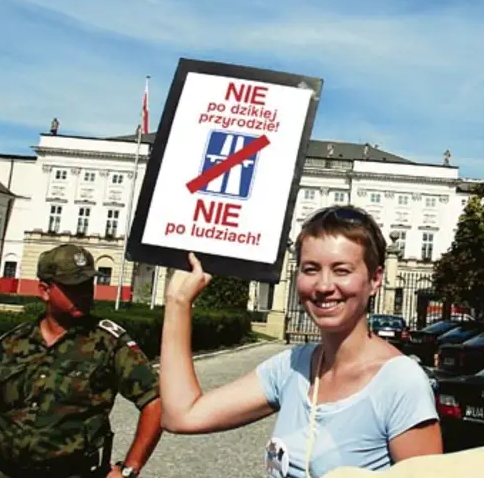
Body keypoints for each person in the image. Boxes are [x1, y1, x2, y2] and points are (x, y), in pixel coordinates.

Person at [159, 204, 442, 477]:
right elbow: (182, 415)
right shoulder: (293, 367)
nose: (323, 286)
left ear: (375, 279)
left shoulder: (401, 383)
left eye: (342, 270)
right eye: (310, 269)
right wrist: (178, 301)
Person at [0, 244, 164, 478]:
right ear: (45, 290)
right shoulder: (12, 344)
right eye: (73, 287)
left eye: (87, 285)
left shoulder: (108, 342)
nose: (83, 293)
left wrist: (128, 469)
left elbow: (155, 402)